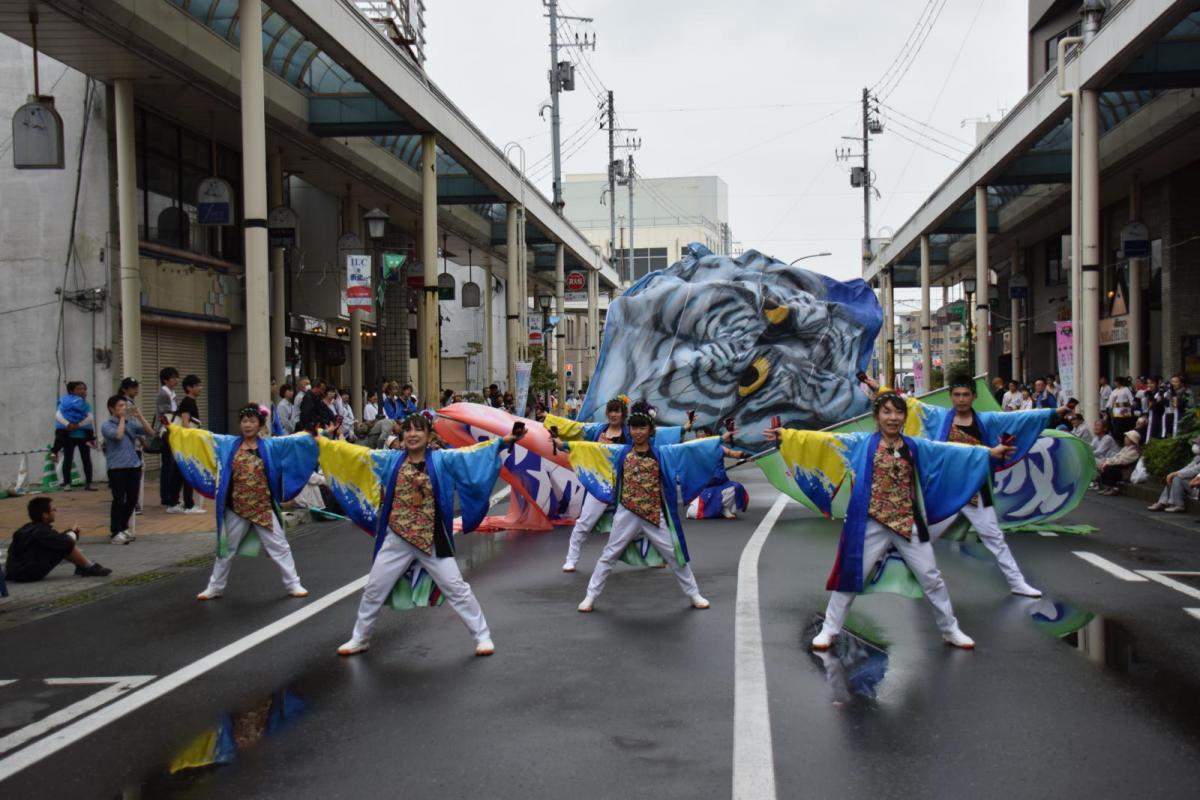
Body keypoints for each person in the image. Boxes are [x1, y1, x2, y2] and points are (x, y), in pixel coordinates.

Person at [763, 391, 995, 651]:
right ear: (876, 417)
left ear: (905, 417)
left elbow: (951, 452)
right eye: (887, 412)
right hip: (870, 521)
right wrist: (787, 436)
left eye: (898, 413)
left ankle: (950, 629)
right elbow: (825, 440)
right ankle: (829, 630)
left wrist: (988, 453)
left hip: (908, 522)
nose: (893, 418)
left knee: (931, 577)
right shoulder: (861, 443)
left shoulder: (915, 446)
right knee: (851, 575)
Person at [320, 414, 525, 657]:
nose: (412, 434)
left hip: (432, 537)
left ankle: (482, 636)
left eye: (418, 430)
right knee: (374, 588)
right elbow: (357, 455)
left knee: (456, 587)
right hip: (397, 536)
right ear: (402, 435)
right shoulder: (390, 460)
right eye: (408, 430)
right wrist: (324, 442)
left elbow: (472, 454)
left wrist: (505, 441)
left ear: (429, 436)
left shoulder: (441, 460)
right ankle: (360, 638)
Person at [550, 408, 724, 614]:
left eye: (642, 427)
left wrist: (720, 439)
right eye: (634, 427)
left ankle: (694, 594)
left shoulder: (663, 453)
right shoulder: (621, 452)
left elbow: (691, 448)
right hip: (626, 512)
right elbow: (592, 448)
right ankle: (590, 596)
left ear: (650, 430)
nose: (638, 431)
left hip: (653, 513)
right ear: (630, 429)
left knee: (674, 555)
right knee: (609, 554)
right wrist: (564, 444)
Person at [910, 371, 1068, 597]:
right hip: (946, 490)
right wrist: (879, 389)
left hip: (976, 490)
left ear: (973, 396)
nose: (961, 399)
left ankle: (1017, 583)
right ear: (951, 397)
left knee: (995, 539)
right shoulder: (939, 417)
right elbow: (910, 406)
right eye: (957, 395)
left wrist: (1054, 412)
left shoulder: (986, 420)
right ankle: (911, 575)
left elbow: (1019, 418)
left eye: (965, 394)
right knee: (921, 536)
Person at [170, 405, 315, 601]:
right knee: (226, 549)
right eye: (244, 421)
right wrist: (177, 431)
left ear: (260, 425)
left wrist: (317, 434)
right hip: (236, 506)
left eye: (252, 421)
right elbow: (202, 437)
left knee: (280, 547)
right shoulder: (227, 444)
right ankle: (215, 586)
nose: (247, 425)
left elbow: (294, 441)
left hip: (263, 506)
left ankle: (293, 583)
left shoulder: (271, 446)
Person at [544, 397, 692, 573]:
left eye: (617, 411)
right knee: (585, 522)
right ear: (607, 413)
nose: (614, 414)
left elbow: (656, 433)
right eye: (611, 411)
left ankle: (655, 557)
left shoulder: (632, 433)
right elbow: (576, 432)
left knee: (645, 523)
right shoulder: (597, 430)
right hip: (601, 484)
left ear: (623, 414)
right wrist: (548, 418)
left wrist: (683, 428)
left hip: (627, 484)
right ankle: (571, 559)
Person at [5, 497, 111, 582]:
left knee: (60, 542)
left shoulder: (26, 528)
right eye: (53, 509)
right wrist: (72, 533)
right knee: (64, 545)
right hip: (27, 574)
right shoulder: (42, 532)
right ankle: (88, 566)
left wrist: (69, 533)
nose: (55, 511)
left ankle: (82, 566)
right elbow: (67, 542)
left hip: (13, 572)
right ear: (45, 514)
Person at [101, 395, 149, 544]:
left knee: (133, 499)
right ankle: (115, 531)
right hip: (117, 467)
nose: (124, 408)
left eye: (125, 405)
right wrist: (122, 419)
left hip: (133, 465)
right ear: (112, 409)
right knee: (118, 500)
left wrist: (139, 416)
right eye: (120, 406)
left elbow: (150, 431)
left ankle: (123, 527)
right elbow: (118, 436)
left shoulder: (131, 423)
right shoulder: (107, 425)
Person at [685, 429, 751, 519]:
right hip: (703, 489)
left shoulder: (719, 448)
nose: (701, 440)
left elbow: (732, 453)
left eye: (703, 437)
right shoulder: (692, 448)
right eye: (698, 437)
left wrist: (746, 455)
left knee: (737, 488)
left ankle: (724, 508)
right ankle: (718, 509)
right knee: (693, 513)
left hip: (721, 485)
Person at [168, 375, 206, 515]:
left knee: (179, 473)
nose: (200, 388)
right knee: (187, 472)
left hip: (184, 442)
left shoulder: (189, 401)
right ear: (189, 388)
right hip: (186, 443)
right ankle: (188, 505)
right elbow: (185, 423)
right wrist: (195, 435)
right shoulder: (188, 402)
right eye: (197, 385)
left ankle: (173, 503)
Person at [52, 381, 97, 491]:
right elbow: (58, 415)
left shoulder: (86, 404)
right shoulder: (64, 402)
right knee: (68, 459)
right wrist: (68, 424)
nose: (82, 391)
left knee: (86, 459)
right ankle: (67, 483)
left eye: (84, 389)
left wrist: (77, 425)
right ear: (71, 391)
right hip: (69, 436)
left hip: (83, 436)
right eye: (79, 389)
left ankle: (89, 483)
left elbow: (90, 418)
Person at [1147, 436, 1200, 513]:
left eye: (1197, 444)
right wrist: (1174, 474)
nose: (1195, 446)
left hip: (1197, 488)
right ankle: (1162, 502)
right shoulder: (1197, 458)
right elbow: (1187, 468)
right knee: (1174, 477)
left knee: (1177, 478)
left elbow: (1195, 470)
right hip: (1194, 485)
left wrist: (1176, 474)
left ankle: (1178, 505)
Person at [118, 376, 146, 515]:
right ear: (125, 389)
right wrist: (141, 438)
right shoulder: (126, 404)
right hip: (131, 445)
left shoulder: (125, 402)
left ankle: (130, 502)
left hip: (127, 444)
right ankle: (132, 503)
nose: (136, 389)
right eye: (133, 387)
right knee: (133, 475)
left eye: (136, 386)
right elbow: (132, 425)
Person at [157, 367, 182, 508]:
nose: (175, 380)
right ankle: (165, 496)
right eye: (173, 378)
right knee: (168, 464)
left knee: (171, 464)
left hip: (173, 430)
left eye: (176, 377)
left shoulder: (172, 394)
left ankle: (169, 495)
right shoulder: (163, 394)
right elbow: (164, 415)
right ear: (165, 380)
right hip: (167, 432)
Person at [1097, 430, 1141, 496]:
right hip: (1119, 468)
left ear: (1132, 440)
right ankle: (1108, 486)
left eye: (1127, 438)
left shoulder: (1134, 452)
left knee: (1110, 468)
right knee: (1103, 465)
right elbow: (1115, 457)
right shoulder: (1125, 448)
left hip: (1125, 471)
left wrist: (1108, 463)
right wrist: (1106, 461)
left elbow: (1122, 461)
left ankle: (1114, 488)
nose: (1125, 439)